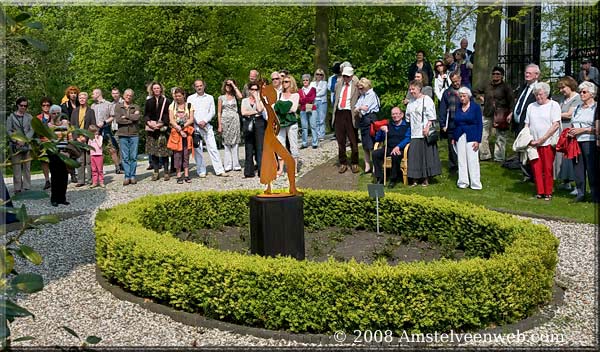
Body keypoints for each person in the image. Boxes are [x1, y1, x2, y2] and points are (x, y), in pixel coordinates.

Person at [524, 82, 560, 200]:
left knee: (547, 168)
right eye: (536, 95)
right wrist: (528, 139)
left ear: (546, 93)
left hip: (547, 142)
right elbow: (526, 124)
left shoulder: (553, 105)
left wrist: (542, 139)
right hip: (533, 143)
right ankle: (540, 191)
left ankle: (548, 192)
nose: (538, 97)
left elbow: (555, 125)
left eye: (540, 94)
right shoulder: (531, 106)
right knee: (536, 168)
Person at [473, 66, 514, 162]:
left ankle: (499, 157)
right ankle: (485, 155)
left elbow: (511, 101)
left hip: (501, 114)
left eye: (498, 74)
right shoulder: (487, 85)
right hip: (487, 112)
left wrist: (511, 113)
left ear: (502, 76)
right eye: (494, 74)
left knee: (500, 136)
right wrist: (480, 97)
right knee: (483, 134)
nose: (495, 75)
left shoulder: (506, 87)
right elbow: (474, 91)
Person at [187, 80, 227, 178]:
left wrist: (204, 121)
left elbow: (212, 111)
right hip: (196, 126)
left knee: (213, 148)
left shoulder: (210, 97)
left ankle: (219, 170)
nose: (199, 87)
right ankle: (201, 170)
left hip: (207, 125)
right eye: (197, 86)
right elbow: (189, 112)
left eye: (201, 85)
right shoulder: (190, 98)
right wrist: (198, 121)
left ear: (204, 86)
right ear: (194, 87)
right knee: (198, 149)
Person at [406, 80, 442, 186]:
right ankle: (415, 178)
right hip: (414, 132)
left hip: (424, 132)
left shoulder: (427, 100)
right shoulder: (410, 102)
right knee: (415, 156)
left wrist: (427, 127)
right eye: (410, 89)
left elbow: (432, 116)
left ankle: (425, 178)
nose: (411, 91)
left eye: (413, 89)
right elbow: (408, 118)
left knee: (425, 156)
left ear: (419, 89)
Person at [568, 81, 598, 202]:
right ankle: (580, 193)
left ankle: (595, 194)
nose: (581, 94)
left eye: (584, 92)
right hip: (576, 142)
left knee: (592, 169)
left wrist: (583, 130)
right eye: (580, 91)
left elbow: (597, 128)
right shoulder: (577, 108)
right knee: (578, 168)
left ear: (592, 94)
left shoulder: (596, 108)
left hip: (590, 141)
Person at [510, 63, 540, 181]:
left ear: (536, 75)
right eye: (526, 72)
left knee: (529, 150)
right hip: (518, 123)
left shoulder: (539, 89)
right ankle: (526, 173)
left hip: (529, 124)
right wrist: (512, 114)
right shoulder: (523, 87)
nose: (526, 75)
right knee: (520, 149)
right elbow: (519, 103)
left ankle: (533, 175)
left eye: (529, 73)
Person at [555, 76, 582, 193]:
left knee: (572, 157)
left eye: (563, 88)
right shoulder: (562, 99)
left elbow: (570, 114)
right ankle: (565, 181)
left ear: (570, 86)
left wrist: (555, 114)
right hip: (561, 131)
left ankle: (578, 185)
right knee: (562, 157)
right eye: (560, 88)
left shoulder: (577, 98)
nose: (561, 90)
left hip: (570, 130)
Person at [453, 87, 483, 190]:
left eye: (464, 96)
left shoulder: (475, 108)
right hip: (459, 135)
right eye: (460, 96)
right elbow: (455, 123)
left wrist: (478, 140)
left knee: (472, 160)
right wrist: (454, 136)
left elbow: (480, 124)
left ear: (468, 96)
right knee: (461, 159)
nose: (462, 98)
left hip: (472, 135)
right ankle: (463, 182)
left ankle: (475, 183)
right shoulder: (458, 107)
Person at [372, 107, 411, 187]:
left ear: (402, 115)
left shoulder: (407, 126)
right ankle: (380, 178)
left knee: (395, 155)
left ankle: (393, 179)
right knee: (375, 154)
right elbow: (378, 139)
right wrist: (381, 131)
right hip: (389, 148)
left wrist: (398, 147)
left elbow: (407, 138)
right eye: (393, 114)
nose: (395, 116)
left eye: (397, 113)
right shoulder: (388, 125)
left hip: (401, 149)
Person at [333, 65, 360, 174]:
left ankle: (354, 162)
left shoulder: (356, 86)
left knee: (353, 139)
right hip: (340, 112)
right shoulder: (338, 85)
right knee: (340, 140)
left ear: (352, 76)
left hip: (350, 113)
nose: (346, 78)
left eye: (348, 76)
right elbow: (336, 98)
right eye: (344, 76)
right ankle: (343, 162)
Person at [144, 81, 171, 181]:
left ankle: (166, 172)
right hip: (152, 129)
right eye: (154, 88)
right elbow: (146, 114)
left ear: (161, 89)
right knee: (153, 152)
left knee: (164, 152)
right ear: (152, 90)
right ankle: (156, 171)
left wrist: (162, 123)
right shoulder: (149, 101)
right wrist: (149, 123)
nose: (156, 90)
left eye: (158, 88)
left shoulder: (166, 101)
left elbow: (168, 115)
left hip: (162, 129)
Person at [114, 88, 141, 186]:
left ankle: (133, 176)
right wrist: (131, 117)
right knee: (125, 157)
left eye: (130, 95)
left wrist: (126, 116)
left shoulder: (136, 106)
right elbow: (118, 120)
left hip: (134, 134)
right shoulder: (118, 107)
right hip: (122, 134)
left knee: (133, 156)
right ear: (123, 95)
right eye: (127, 95)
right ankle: (127, 176)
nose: (128, 97)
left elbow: (137, 118)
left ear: (132, 97)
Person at [168, 87, 195, 184]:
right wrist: (179, 129)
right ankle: (178, 175)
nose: (178, 98)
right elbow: (171, 120)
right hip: (176, 133)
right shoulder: (172, 106)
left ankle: (187, 174)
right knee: (177, 155)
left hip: (187, 131)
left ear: (184, 95)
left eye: (179, 96)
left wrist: (183, 126)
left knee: (186, 153)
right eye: (176, 96)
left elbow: (191, 119)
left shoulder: (189, 105)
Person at [7, 97, 34, 193]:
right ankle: (17, 187)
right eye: (21, 105)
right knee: (16, 167)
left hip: (27, 144)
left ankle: (27, 186)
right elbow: (9, 131)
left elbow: (32, 129)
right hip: (15, 145)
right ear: (17, 105)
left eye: (25, 106)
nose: (23, 107)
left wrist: (25, 140)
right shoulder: (11, 117)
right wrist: (16, 140)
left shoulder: (29, 117)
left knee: (27, 167)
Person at [91, 88, 121, 175]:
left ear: (98, 94)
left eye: (93, 94)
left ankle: (117, 167)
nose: (92, 96)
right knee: (97, 150)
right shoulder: (93, 106)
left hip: (106, 128)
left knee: (112, 148)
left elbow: (112, 116)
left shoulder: (108, 104)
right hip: (96, 130)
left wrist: (104, 122)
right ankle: (99, 169)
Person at [70, 92, 95, 187]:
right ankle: (80, 180)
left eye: (83, 98)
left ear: (87, 99)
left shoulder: (90, 111)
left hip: (87, 139)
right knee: (80, 160)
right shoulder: (75, 111)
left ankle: (90, 179)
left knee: (88, 160)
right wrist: (76, 137)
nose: (81, 99)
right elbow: (72, 126)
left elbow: (93, 125)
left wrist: (86, 136)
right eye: (80, 98)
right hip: (78, 139)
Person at [276, 75, 300, 176]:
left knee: (293, 144)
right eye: (284, 81)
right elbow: (274, 107)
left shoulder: (295, 95)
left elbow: (293, 109)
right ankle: (281, 168)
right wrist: (284, 107)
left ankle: (293, 169)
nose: (285, 83)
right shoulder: (280, 94)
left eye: (287, 81)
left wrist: (280, 107)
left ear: (291, 83)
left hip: (291, 122)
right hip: (280, 123)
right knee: (281, 145)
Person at [240, 82, 266, 178]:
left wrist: (257, 98)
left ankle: (261, 170)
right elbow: (243, 112)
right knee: (249, 147)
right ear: (249, 90)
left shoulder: (261, 99)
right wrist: (255, 112)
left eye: (256, 89)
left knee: (260, 147)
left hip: (259, 123)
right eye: (252, 89)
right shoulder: (244, 100)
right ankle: (249, 171)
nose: (254, 91)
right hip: (248, 123)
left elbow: (260, 109)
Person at [355, 77, 380, 174]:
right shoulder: (362, 96)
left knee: (372, 144)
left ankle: (375, 166)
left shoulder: (371, 94)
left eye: (361, 88)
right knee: (365, 144)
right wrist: (359, 108)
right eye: (359, 88)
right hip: (363, 120)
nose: (360, 90)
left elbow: (365, 108)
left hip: (370, 119)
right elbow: (356, 107)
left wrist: (359, 108)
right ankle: (367, 165)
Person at [438, 71, 461, 173]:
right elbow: (442, 109)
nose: (456, 83)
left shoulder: (466, 90)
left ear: (460, 79)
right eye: (453, 81)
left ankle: (463, 165)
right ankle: (453, 166)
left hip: (464, 122)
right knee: (452, 145)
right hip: (452, 122)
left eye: (457, 81)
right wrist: (442, 124)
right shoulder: (447, 92)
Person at [47, 105, 70, 206]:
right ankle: (54, 199)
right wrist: (57, 151)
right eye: (54, 113)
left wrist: (69, 151)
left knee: (64, 176)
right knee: (55, 176)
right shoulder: (48, 126)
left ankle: (62, 198)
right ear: (50, 114)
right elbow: (48, 141)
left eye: (58, 113)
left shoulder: (65, 124)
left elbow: (70, 137)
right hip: (54, 153)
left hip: (65, 152)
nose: (56, 115)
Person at [218, 79, 242, 172]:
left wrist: (233, 84)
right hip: (225, 121)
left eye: (230, 85)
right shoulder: (221, 98)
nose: (228, 86)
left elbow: (241, 96)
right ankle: (228, 164)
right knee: (226, 143)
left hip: (235, 120)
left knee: (235, 142)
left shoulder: (235, 96)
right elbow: (219, 112)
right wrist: (219, 125)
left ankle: (236, 164)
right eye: (227, 85)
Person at [37, 97, 52, 189]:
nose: (46, 107)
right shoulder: (38, 118)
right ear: (41, 106)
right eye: (44, 105)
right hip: (42, 142)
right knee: (44, 162)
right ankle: (47, 180)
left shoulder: (54, 116)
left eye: (48, 105)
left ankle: (55, 179)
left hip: (53, 142)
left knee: (54, 161)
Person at [299, 74, 318, 149]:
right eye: (304, 80)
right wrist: (306, 99)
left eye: (306, 80)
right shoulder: (300, 91)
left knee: (313, 126)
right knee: (304, 127)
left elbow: (312, 98)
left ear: (309, 81)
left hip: (312, 109)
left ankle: (315, 142)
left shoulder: (313, 89)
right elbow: (300, 100)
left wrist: (304, 99)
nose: (305, 81)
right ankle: (304, 143)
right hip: (303, 110)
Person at [311, 68, 328, 141]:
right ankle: (317, 134)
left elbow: (323, 92)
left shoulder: (325, 83)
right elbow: (311, 92)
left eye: (321, 75)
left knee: (321, 118)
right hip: (314, 101)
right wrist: (316, 93)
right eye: (317, 74)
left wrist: (315, 93)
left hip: (322, 102)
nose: (319, 76)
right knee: (315, 119)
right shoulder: (312, 83)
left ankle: (321, 134)